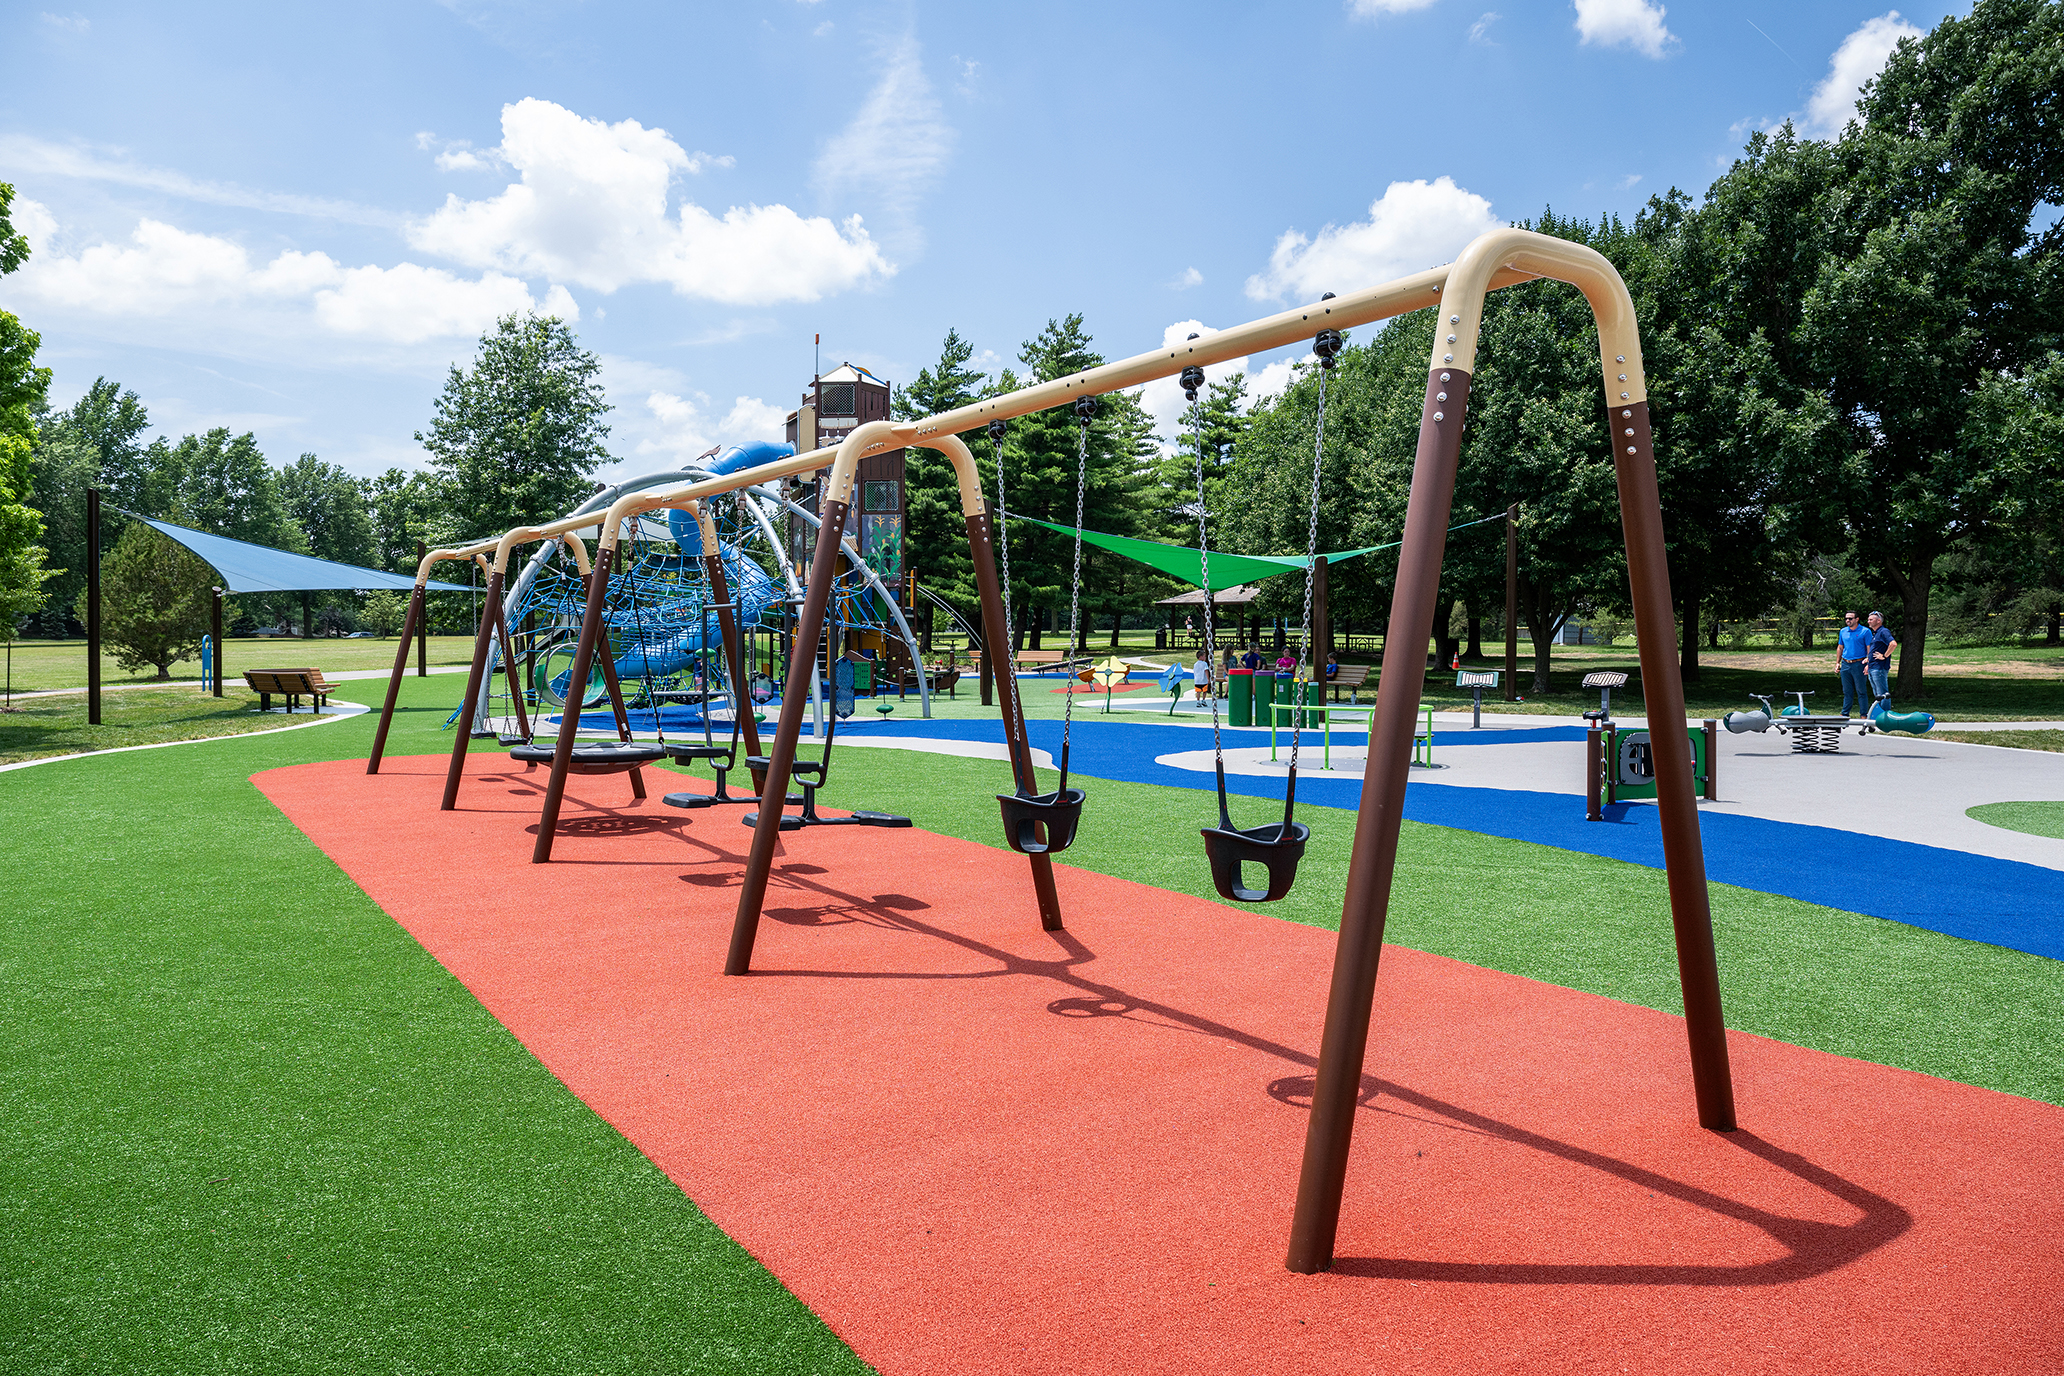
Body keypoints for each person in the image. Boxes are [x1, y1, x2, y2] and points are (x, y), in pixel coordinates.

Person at [1834, 609, 1873, 715]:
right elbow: (1840, 647)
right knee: (1847, 691)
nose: (1848, 620)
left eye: (1850, 618)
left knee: (1861, 691)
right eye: (1846, 618)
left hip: (1859, 664)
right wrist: (1837, 663)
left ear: (1857, 619)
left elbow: (1869, 648)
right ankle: (1844, 713)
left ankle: (1863, 715)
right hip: (1846, 664)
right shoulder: (1843, 631)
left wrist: (1868, 663)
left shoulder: (1865, 631)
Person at [1865, 611, 1897, 704]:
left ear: (1878, 621)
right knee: (1877, 695)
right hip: (1872, 666)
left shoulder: (1883, 631)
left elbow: (1893, 644)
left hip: (1879, 667)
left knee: (1882, 694)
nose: (1868, 621)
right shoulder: (1875, 633)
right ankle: (1879, 711)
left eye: (1871, 620)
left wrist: (1884, 656)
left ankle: (1885, 712)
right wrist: (1868, 661)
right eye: (1868, 620)